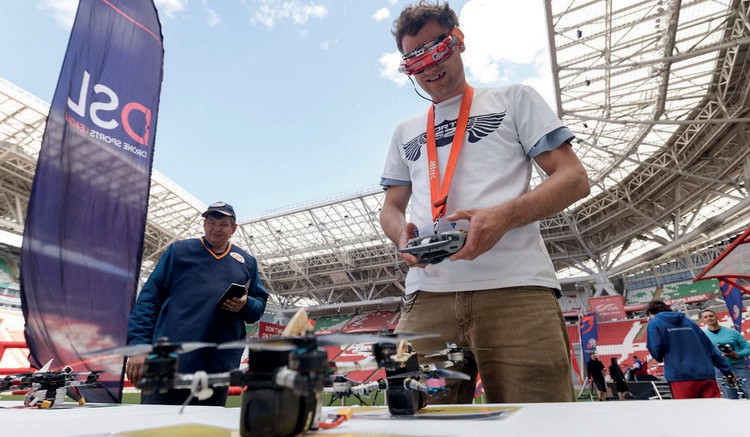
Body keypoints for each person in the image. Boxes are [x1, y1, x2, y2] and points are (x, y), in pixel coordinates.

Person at [378, 1, 590, 403]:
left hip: (517, 290)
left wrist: (503, 216)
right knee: (420, 423)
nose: (429, 66)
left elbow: (574, 178)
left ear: (458, 41)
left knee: (539, 425)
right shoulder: (404, 131)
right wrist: (400, 235)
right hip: (427, 296)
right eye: (415, 61)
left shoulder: (515, 99)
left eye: (437, 50)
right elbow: (391, 207)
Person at [126, 202, 268, 406]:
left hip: (217, 369)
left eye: (223, 224)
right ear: (204, 224)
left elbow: (258, 307)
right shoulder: (179, 251)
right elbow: (148, 300)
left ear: (233, 228)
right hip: (168, 363)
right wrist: (139, 347)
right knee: (158, 422)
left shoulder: (247, 262)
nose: (216, 228)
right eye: (211, 222)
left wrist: (245, 304)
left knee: (206, 424)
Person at [646, 300, 735, 399]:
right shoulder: (689, 321)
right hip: (705, 373)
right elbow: (709, 348)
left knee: (687, 408)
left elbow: (655, 349)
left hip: (680, 375)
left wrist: (659, 356)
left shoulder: (654, 322)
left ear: (652, 312)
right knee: (713, 407)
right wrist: (726, 371)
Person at [700, 309, 750, 399]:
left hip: (739, 366)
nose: (709, 318)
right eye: (705, 317)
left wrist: (737, 354)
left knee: (749, 392)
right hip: (720, 370)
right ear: (703, 320)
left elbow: (748, 348)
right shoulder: (703, 336)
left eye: (711, 316)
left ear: (716, 317)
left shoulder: (732, 332)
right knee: (729, 398)